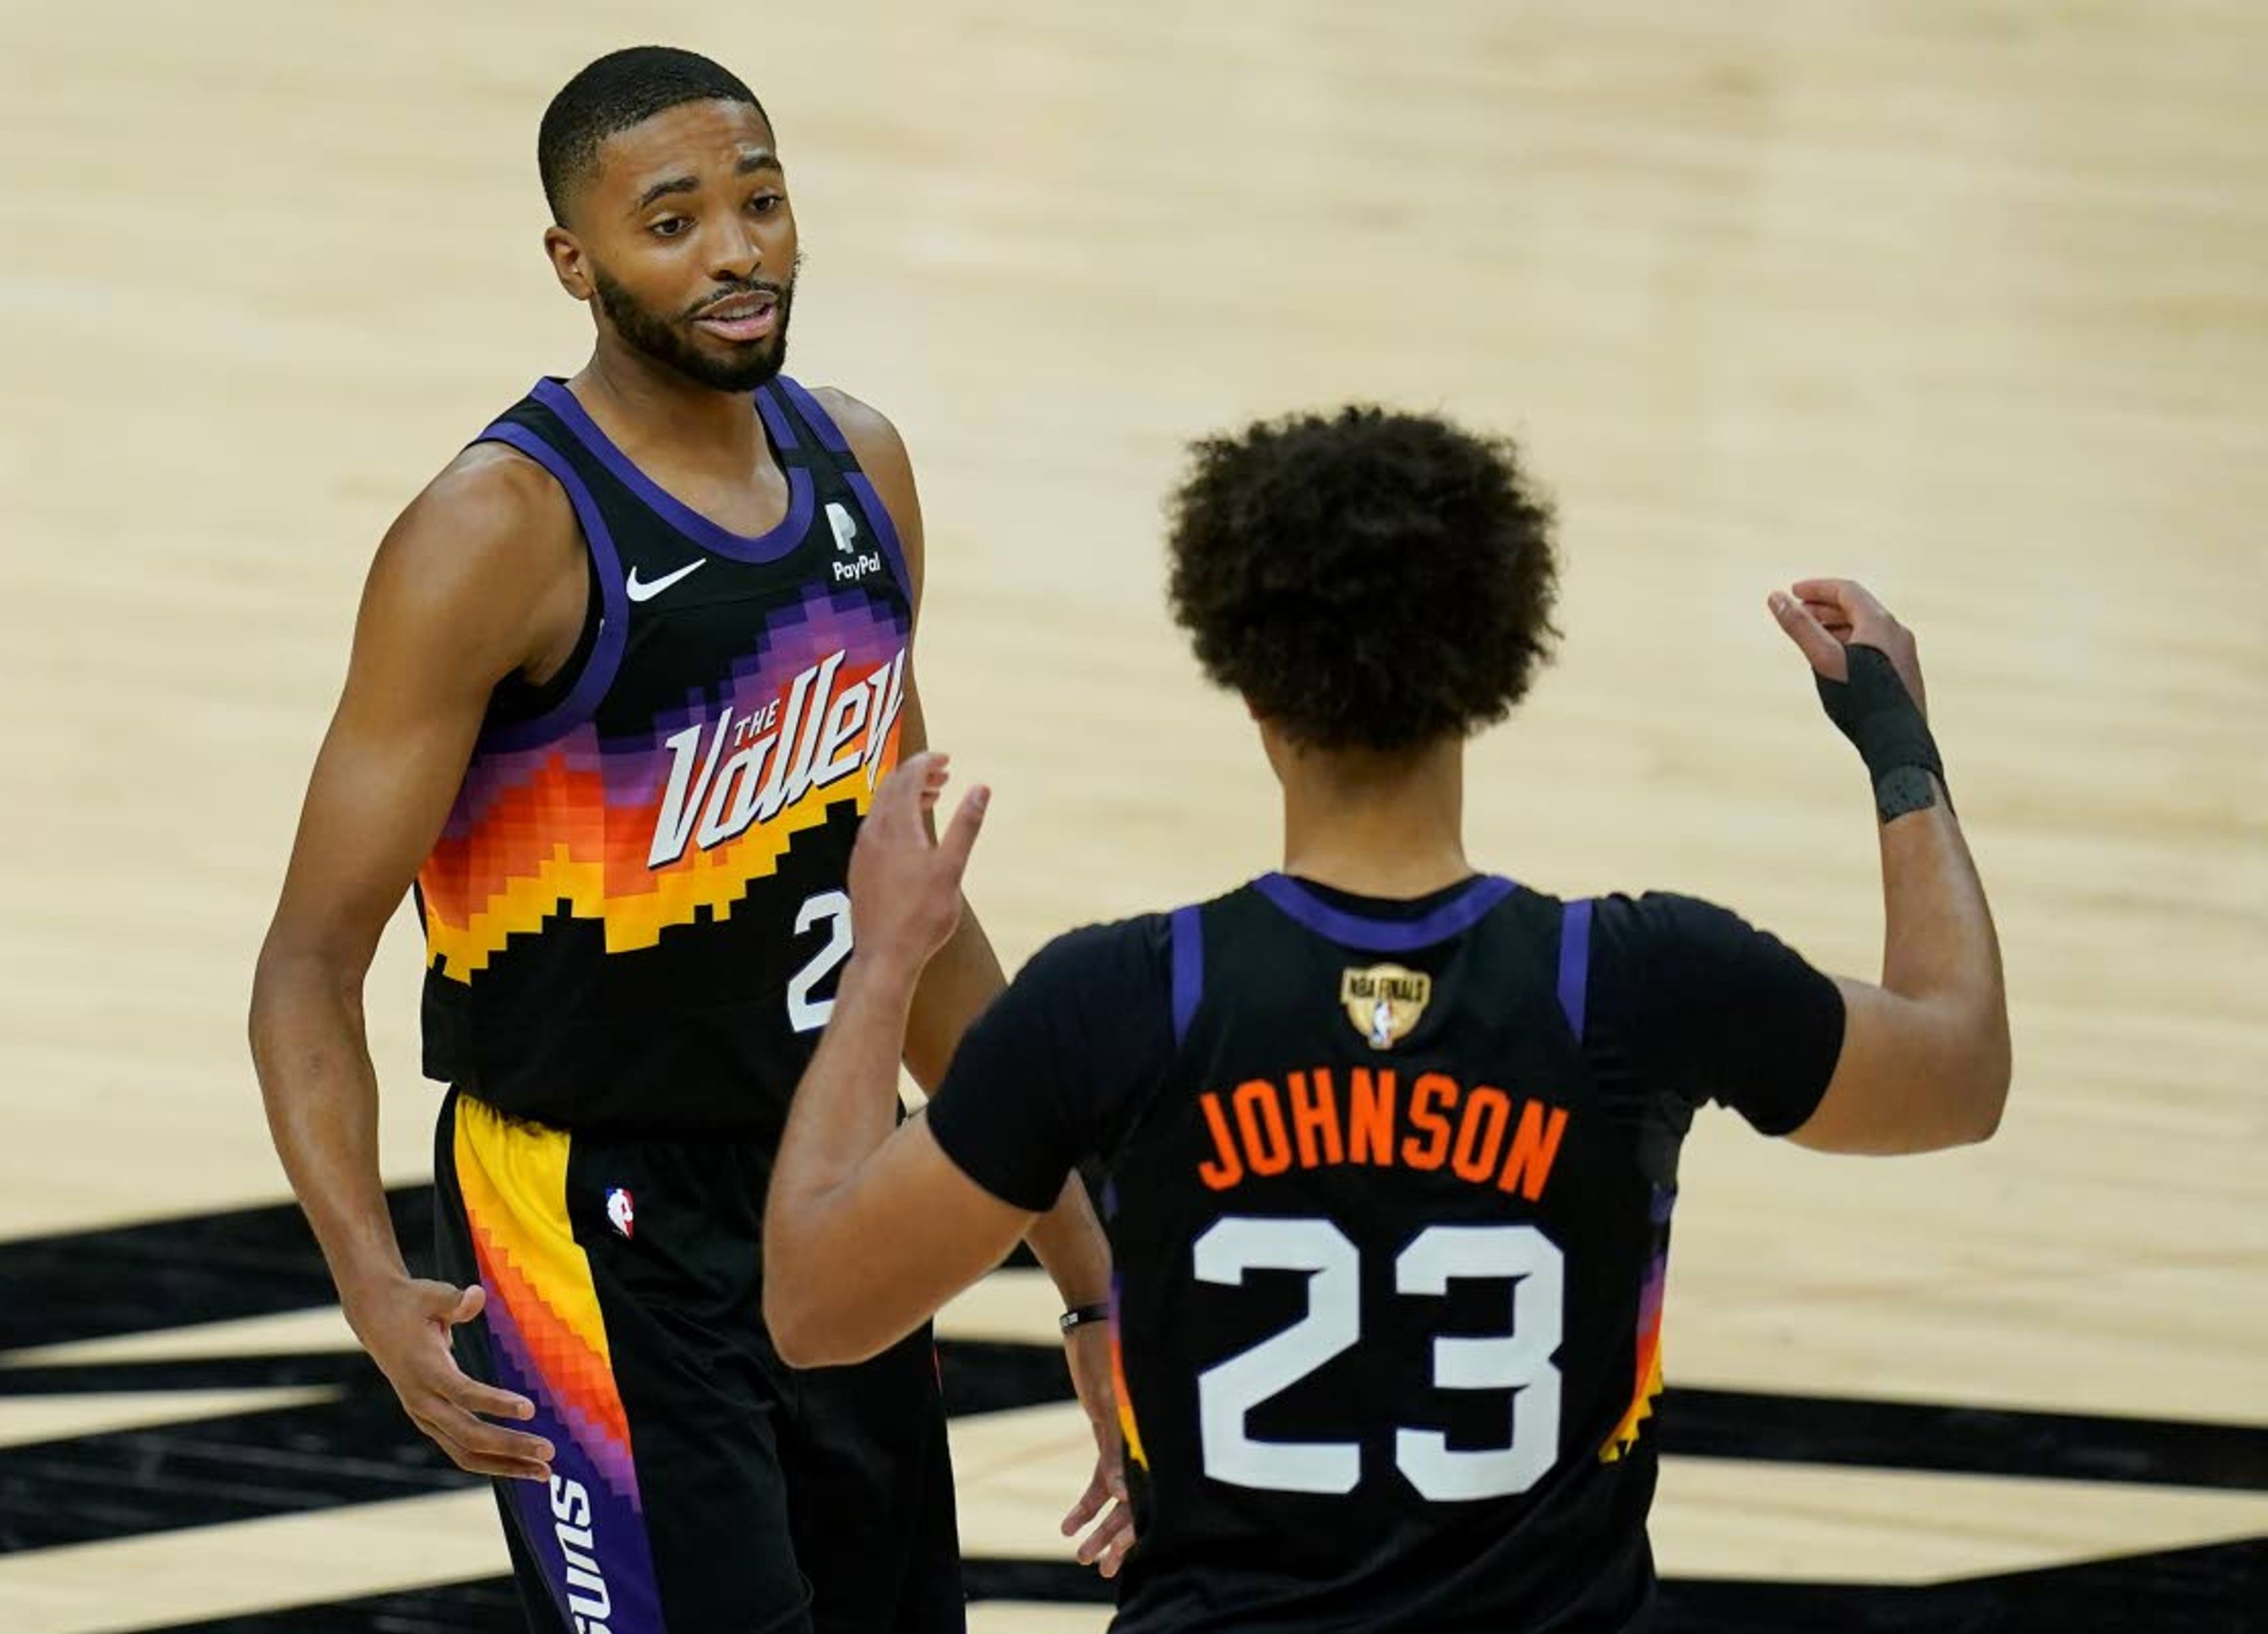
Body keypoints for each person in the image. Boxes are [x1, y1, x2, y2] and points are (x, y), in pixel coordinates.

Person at [761, 406, 2009, 1631]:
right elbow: (1958, 1068)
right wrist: (1898, 741)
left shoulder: (1122, 998)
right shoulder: (1640, 979)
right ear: (1492, 671)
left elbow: (815, 1302)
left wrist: (885, 963)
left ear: (1244, 673)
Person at [249, 46, 1128, 1634]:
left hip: (832, 1180)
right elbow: (308, 964)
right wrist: (371, 1282)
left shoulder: (861, 466)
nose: (739, 250)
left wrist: (1090, 1270)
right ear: (574, 265)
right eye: (675, 221)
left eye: (763, 201)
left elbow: (911, 924)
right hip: (587, 1218)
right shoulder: (493, 532)